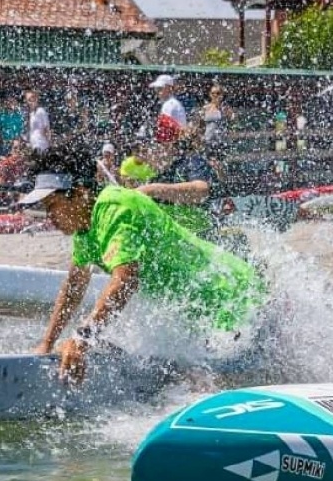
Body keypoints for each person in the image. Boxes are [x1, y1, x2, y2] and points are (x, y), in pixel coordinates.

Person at [20, 145, 266, 383]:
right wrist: (47, 344)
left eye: (52, 207)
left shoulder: (114, 207)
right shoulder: (85, 226)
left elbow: (125, 280)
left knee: (224, 383)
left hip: (233, 297)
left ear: (81, 192)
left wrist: (82, 338)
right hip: (205, 311)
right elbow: (74, 286)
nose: (50, 218)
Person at [150, 74, 187, 143]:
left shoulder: (169, 104)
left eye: (160, 88)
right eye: (156, 88)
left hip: (171, 143)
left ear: (169, 88)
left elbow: (165, 127)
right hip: (176, 141)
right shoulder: (172, 102)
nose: (157, 91)